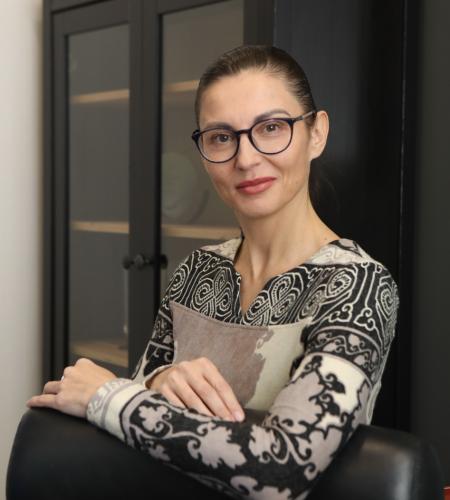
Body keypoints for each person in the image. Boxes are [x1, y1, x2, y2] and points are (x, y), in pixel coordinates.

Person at [28, 45, 400, 499]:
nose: (246, 159)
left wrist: (106, 395)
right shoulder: (199, 271)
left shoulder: (358, 285)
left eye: (271, 128)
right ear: (203, 152)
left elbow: (281, 470)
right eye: (222, 137)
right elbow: (135, 413)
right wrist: (159, 381)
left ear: (316, 133)